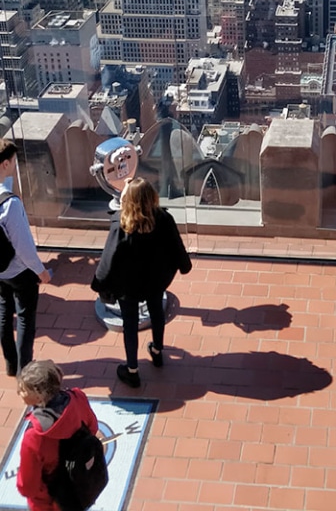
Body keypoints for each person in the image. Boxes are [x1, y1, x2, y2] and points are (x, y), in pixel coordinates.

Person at [91, 176, 192, 387]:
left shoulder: (122, 224)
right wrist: (184, 265)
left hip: (128, 286)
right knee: (157, 312)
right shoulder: (163, 218)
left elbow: (109, 258)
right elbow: (176, 245)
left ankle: (132, 370)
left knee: (130, 324)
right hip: (156, 281)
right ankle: (157, 351)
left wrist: (99, 284)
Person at [16, 358, 99, 511]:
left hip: (50, 500)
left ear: (39, 395)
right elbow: (93, 427)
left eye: (23, 390)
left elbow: (28, 487)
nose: (18, 393)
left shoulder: (35, 435)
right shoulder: (78, 397)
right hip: (80, 485)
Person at [0, 139, 52, 377]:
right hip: (19, 271)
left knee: (3, 312)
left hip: (0, 270)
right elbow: (24, 248)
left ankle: (11, 364)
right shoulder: (9, 204)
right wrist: (41, 271)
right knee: (24, 319)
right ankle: (25, 373)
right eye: (12, 162)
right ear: (5, 164)